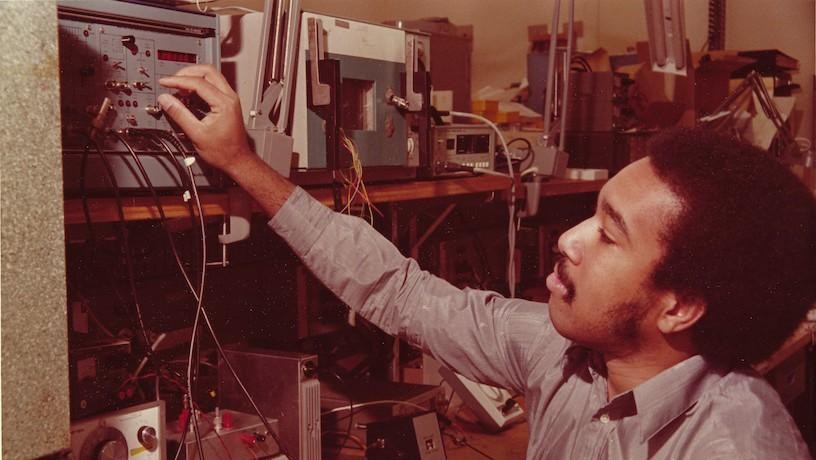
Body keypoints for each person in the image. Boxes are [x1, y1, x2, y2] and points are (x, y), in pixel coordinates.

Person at [158, 65, 816, 459]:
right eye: (591, 211)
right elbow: (400, 289)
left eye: (609, 235)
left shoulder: (736, 445)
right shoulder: (565, 351)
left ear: (679, 307)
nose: (570, 239)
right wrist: (242, 162)